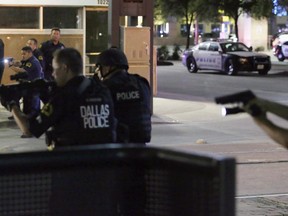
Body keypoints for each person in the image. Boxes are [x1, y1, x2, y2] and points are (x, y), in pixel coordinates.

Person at [2, 48, 116, 148]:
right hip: (103, 162)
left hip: (72, 164)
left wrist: (11, 103)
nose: (53, 74)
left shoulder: (63, 96)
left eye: (55, 69)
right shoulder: (101, 90)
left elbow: (29, 129)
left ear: (64, 68)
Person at [96, 47, 151, 144]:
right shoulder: (141, 83)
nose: (100, 71)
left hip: (118, 146)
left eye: (101, 67)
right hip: (140, 145)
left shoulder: (106, 87)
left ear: (108, 68)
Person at [9, 46, 43, 135]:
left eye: (24, 54)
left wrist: (10, 66)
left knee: (32, 110)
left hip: (33, 89)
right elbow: (20, 63)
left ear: (29, 53)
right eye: (21, 54)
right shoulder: (28, 61)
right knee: (27, 109)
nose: (22, 56)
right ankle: (29, 129)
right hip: (29, 88)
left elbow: (22, 70)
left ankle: (30, 130)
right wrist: (14, 62)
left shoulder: (33, 62)